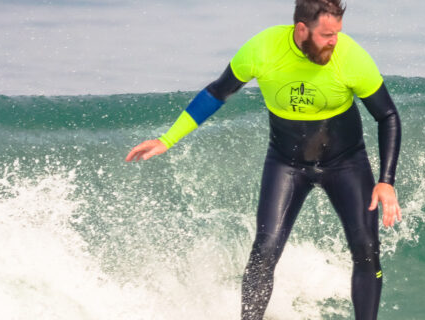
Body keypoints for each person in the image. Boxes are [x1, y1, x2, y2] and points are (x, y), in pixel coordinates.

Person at [125, 0, 401, 318]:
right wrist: (167, 139)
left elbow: (388, 115)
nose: (334, 41)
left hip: (346, 163)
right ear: (301, 29)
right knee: (265, 251)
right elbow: (218, 92)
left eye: (337, 33)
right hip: (287, 164)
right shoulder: (263, 49)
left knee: (366, 251)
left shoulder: (350, 57)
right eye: (327, 34)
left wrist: (386, 182)